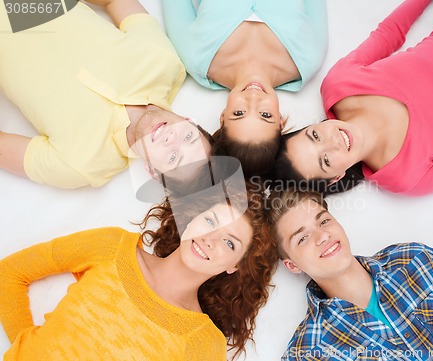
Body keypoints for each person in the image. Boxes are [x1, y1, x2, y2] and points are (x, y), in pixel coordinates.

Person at [0, 181, 278, 360]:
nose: (210, 238)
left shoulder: (202, 344)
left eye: (230, 242)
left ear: (234, 266)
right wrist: (24, 348)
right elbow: (9, 273)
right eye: (210, 220)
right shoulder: (111, 246)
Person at [273, 0, 433, 196]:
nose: (333, 142)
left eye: (314, 136)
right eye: (326, 161)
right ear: (336, 178)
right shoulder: (405, 177)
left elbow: (389, 32)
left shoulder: (338, 85)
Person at [0, 0, 213, 189]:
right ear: (189, 121)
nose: (171, 139)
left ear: (152, 172)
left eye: (173, 158)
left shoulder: (80, 165)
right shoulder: (164, 63)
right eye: (188, 137)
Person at [267, 188, 433, 360]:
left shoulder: (414, 259)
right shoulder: (308, 352)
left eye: (324, 221)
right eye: (303, 238)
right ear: (292, 265)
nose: (323, 236)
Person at [161, 0, 328, 176]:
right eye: (265, 115)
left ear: (223, 117)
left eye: (239, 113)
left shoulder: (195, 58)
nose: (253, 98)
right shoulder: (309, 58)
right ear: (280, 120)